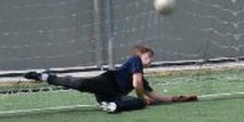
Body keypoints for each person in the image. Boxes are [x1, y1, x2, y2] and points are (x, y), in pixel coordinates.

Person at [24, 45, 197, 113]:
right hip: (107, 82)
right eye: (149, 56)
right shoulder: (135, 61)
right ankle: (46, 76)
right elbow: (137, 84)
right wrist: (143, 96)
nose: (150, 60)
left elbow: (154, 95)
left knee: (140, 102)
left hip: (112, 96)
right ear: (141, 55)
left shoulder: (141, 77)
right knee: (81, 83)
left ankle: (112, 105)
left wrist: (177, 99)